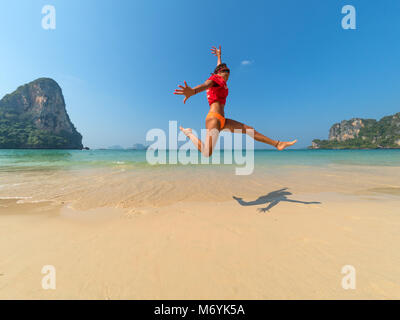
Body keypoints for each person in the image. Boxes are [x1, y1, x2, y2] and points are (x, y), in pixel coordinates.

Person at [174, 45, 297, 157]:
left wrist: (219, 56)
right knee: (207, 153)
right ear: (218, 73)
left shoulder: (221, 81)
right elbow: (205, 84)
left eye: (228, 71)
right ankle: (189, 133)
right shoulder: (214, 79)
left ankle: (278, 144)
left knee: (249, 130)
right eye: (225, 71)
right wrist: (193, 91)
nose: (227, 72)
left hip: (223, 120)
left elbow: (219, 68)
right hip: (214, 118)